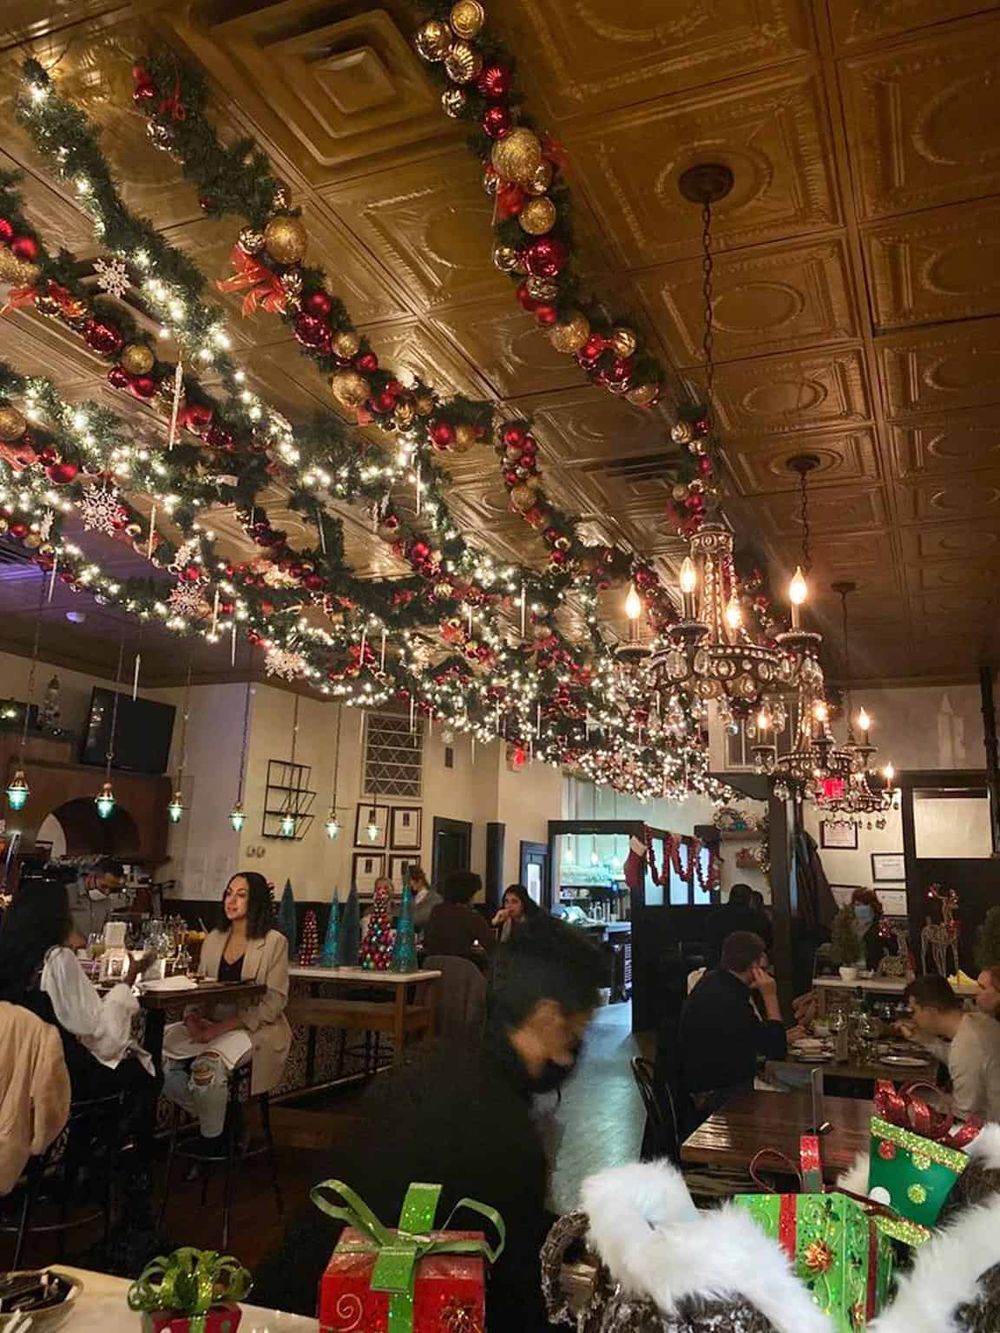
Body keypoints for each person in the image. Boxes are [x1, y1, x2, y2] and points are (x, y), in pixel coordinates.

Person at [253, 917, 607, 1330]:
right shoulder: (505, 1131)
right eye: (577, 1032)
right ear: (548, 1018)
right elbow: (514, 1294)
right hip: (347, 1313)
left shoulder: (427, 1066)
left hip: (284, 1305)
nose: (574, 1053)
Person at [162, 871, 291, 1148]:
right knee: (156, 1058)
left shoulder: (273, 942)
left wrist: (221, 1028)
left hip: (255, 1028)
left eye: (241, 895)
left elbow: (274, 1003)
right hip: (210, 1025)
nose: (231, 901)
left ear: (255, 902)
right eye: (228, 893)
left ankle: (212, 1142)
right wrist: (192, 1018)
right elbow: (197, 987)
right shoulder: (214, 939)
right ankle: (227, 1120)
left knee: (206, 1068)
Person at [672, 930, 786, 1119]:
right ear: (756, 964)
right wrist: (770, 995)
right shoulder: (730, 998)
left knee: (792, 1080)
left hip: (701, 1085)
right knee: (796, 1095)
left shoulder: (714, 981)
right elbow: (776, 1049)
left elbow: (747, 1035)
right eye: (763, 955)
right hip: (719, 1095)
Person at [902, 974, 1000, 1122]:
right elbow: (966, 1061)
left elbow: (965, 1115)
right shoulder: (978, 1021)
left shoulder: (967, 1045)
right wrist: (924, 1039)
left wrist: (924, 1107)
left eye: (914, 1011)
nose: (913, 1018)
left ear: (931, 1011)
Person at [422, 869, 495, 959]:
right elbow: (492, 945)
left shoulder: (437, 910)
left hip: (433, 966)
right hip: (460, 968)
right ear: (468, 895)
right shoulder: (470, 916)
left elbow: (426, 941)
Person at [705, 883, 772, 966]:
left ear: (730, 897)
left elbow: (710, 942)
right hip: (750, 966)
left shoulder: (714, 917)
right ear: (749, 899)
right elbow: (768, 942)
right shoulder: (759, 919)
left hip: (719, 963)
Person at [68, 857, 125, 942]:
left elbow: (106, 929)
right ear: (91, 876)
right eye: (103, 886)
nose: (107, 892)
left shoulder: (106, 900)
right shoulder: (68, 894)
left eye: (112, 889)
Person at [849, 886, 887, 971]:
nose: (861, 908)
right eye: (857, 905)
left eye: (865, 904)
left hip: (875, 971)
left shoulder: (882, 925)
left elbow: (891, 948)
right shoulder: (849, 926)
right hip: (851, 970)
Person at [407, 865, 441, 934]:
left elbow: (419, 918)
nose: (409, 885)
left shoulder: (434, 899)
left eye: (411, 881)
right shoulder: (411, 898)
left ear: (419, 881)